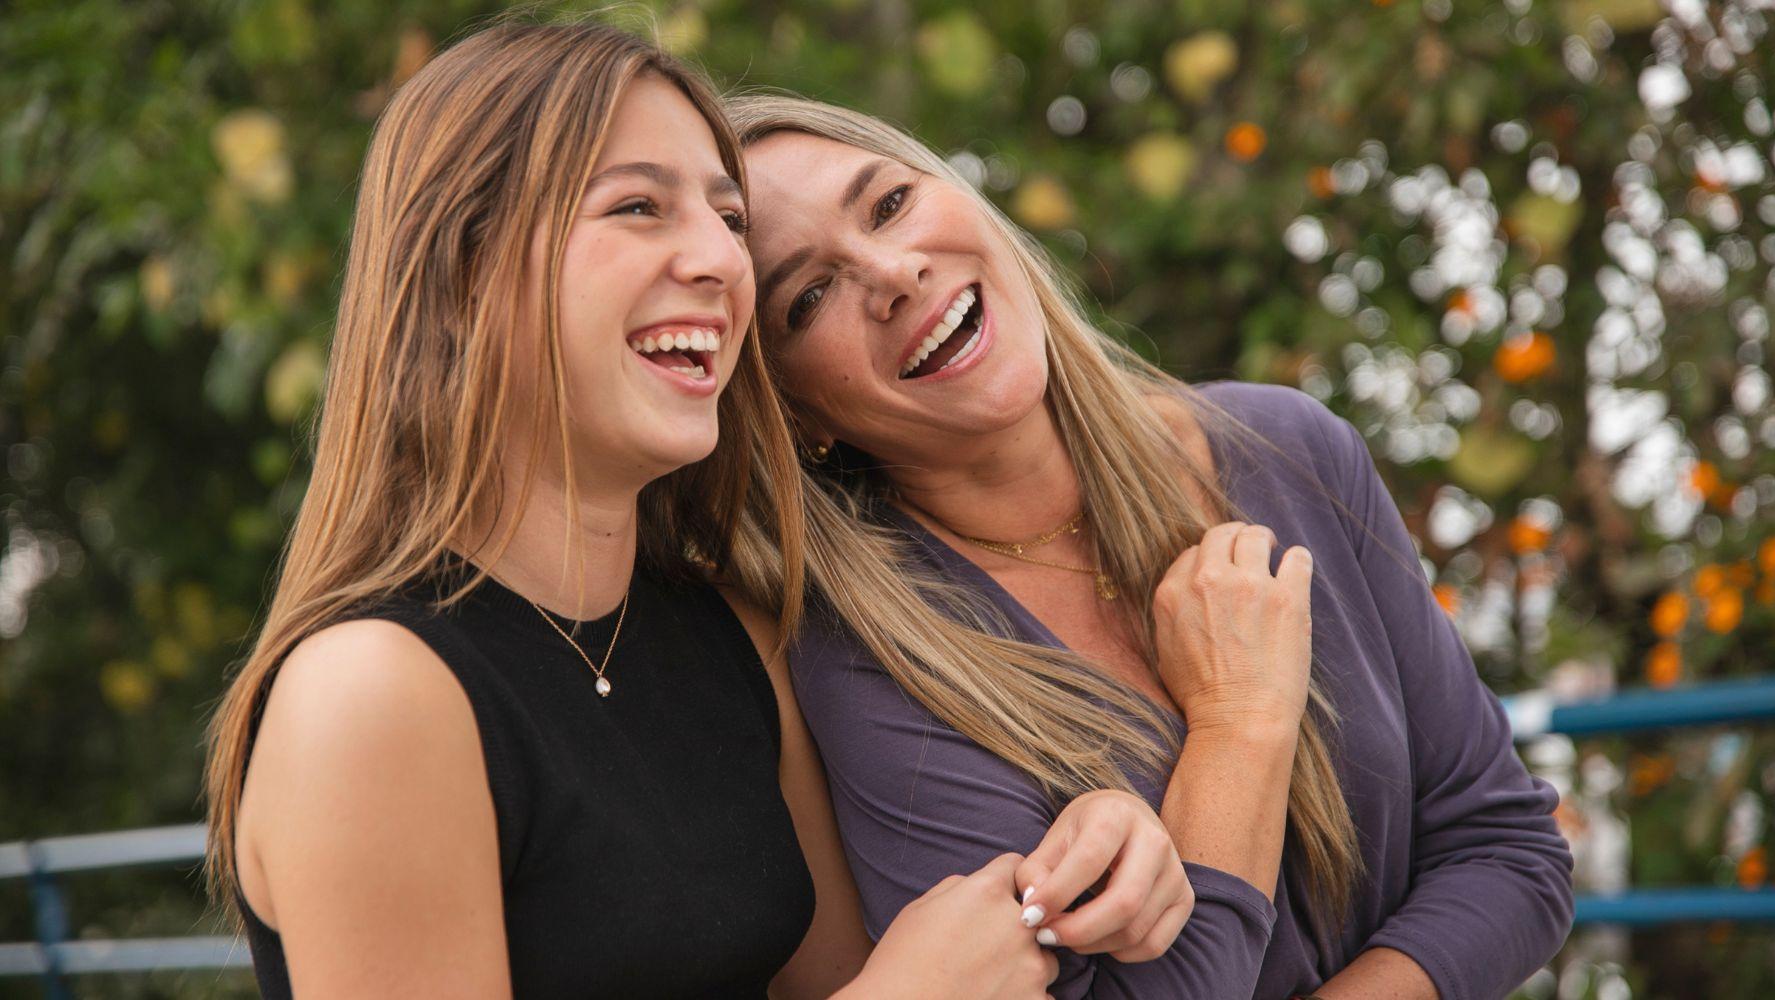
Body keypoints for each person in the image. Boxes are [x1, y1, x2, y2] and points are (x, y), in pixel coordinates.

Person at [202, 22, 1191, 1000]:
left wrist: (1075, 863)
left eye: (725, 219)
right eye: (638, 205)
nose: (721, 262)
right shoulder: (372, 696)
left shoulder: (740, 640)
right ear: (463, 275)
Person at [725, 92, 1576, 1000]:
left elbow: (1510, 852)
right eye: (808, 297)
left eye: (889, 203)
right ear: (796, 411)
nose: (893, 271)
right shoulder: (865, 660)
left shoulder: (1288, 448)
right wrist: (1238, 728)